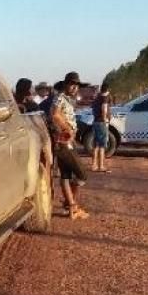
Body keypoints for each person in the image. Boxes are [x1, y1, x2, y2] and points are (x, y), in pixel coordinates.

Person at [49, 72, 89, 220]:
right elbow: (55, 114)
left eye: (76, 85)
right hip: (63, 142)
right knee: (82, 174)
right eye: (72, 84)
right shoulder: (60, 98)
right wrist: (68, 129)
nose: (74, 87)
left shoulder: (68, 99)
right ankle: (71, 204)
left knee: (66, 175)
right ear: (65, 84)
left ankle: (71, 207)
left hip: (64, 141)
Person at [91, 82, 112, 173]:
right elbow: (104, 109)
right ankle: (101, 166)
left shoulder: (97, 98)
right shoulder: (105, 99)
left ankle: (94, 165)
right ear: (108, 90)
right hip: (101, 123)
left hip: (95, 122)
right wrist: (105, 120)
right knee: (102, 146)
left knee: (95, 145)